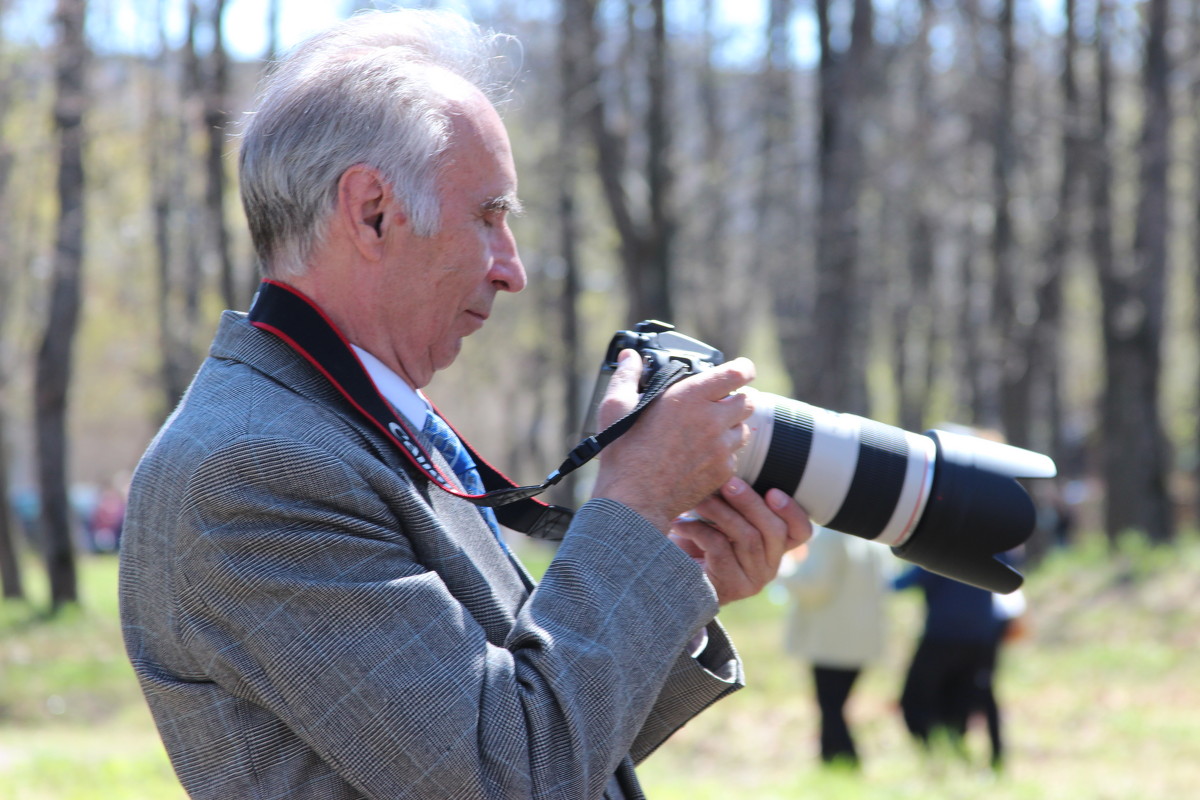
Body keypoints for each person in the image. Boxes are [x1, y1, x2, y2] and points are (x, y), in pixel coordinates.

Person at [118, 9, 811, 800]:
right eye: (490, 216)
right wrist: (636, 499)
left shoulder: (349, 427)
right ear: (372, 210)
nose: (512, 269)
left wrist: (674, 573)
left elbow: (544, 742)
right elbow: (504, 776)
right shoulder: (252, 469)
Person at [776, 527, 891, 767]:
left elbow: (814, 587)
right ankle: (840, 763)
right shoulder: (873, 538)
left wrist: (782, 566)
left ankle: (841, 762)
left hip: (832, 642)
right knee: (836, 707)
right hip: (862, 640)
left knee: (830, 708)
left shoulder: (830, 537)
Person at [894, 565, 1006, 766]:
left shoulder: (940, 549)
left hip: (942, 639)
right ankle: (954, 752)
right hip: (980, 639)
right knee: (963, 698)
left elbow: (900, 584)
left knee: (915, 699)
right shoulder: (994, 547)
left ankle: (933, 753)